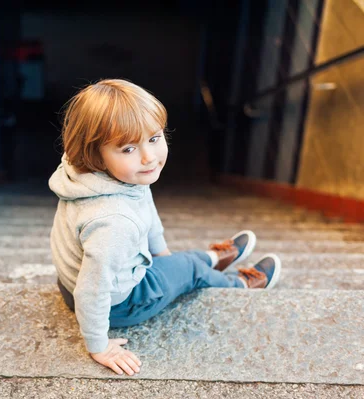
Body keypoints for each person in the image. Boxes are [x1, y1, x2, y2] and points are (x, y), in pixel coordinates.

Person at [48, 78, 282, 376]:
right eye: (129, 149)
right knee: (188, 270)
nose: (149, 157)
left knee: (176, 262)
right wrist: (99, 346)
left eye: (155, 138)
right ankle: (240, 284)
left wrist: (162, 254)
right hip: (120, 305)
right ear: (95, 154)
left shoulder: (96, 175)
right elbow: (91, 292)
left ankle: (211, 258)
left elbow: (147, 209)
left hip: (70, 282)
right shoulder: (114, 222)